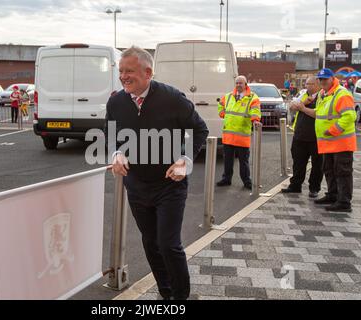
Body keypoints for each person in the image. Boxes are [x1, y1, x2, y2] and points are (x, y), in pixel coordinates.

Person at [106, 46, 208, 300]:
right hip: (137, 186)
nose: (123, 76)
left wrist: (185, 160)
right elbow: (109, 134)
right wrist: (116, 153)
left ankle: (181, 298)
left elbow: (200, 129)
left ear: (148, 72)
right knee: (150, 243)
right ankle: (166, 294)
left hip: (169, 185)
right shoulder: (116, 101)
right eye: (121, 71)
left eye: (129, 71)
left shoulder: (172, 98)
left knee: (168, 244)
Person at [293, 68, 357, 212]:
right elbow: (319, 114)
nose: (322, 82)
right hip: (327, 143)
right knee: (329, 170)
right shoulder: (323, 94)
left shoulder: (341, 94)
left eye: (325, 79)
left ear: (332, 78)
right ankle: (333, 195)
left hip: (340, 142)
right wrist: (304, 108)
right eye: (320, 79)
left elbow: (349, 116)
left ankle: (344, 202)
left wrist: (333, 130)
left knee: (342, 172)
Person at [216, 75, 262, 190]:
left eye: (240, 83)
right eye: (236, 83)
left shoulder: (252, 98)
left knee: (243, 162)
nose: (238, 85)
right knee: (227, 160)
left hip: (242, 136)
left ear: (246, 84)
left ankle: (247, 181)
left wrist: (255, 120)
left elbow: (255, 110)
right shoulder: (228, 96)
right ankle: (226, 179)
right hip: (228, 136)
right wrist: (222, 113)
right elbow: (220, 105)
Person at [282, 76, 323, 198]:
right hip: (300, 135)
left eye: (309, 84)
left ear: (317, 84)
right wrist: (304, 103)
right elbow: (292, 107)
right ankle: (295, 185)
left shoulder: (323, 96)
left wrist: (303, 108)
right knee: (298, 162)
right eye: (306, 84)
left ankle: (314, 188)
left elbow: (318, 114)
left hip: (316, 136)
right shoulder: (303, 94)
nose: (306, 86)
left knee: (317, 165)